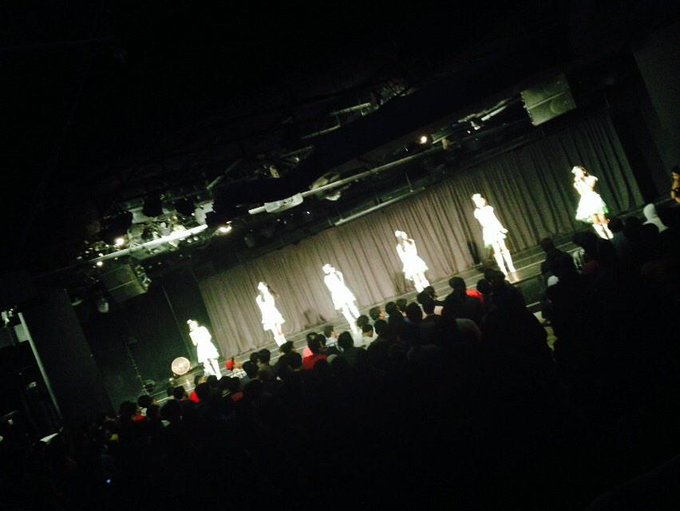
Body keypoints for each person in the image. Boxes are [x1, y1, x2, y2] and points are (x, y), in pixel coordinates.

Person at [571, 165, 613, 239]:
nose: (578, 174)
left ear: (584, 171)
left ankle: (611, 235)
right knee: (595, 221)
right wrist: (578, 183)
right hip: (586, 201)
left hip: (594, 198)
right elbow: (581, 193)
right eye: (576, 173)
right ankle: (604, 238)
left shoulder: (591, 178)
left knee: (602, 219)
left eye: (579, 172)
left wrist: (582, 181)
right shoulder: (577, 183)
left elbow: (590, 188)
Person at [322, 263, 360, 334]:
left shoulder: (338, 273)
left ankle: (360, 320)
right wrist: (332, 275)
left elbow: (342, 283)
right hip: (337, 293)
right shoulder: (326, 278)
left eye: (329, 267)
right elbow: (331, 288)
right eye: (326, 269)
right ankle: (353, 326)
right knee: (345, 310)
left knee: (352, 306)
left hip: (344, 291)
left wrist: (335, 274)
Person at [255, 281, 286, 346]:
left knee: (279, 331)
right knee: (275, 332)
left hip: (273, 313)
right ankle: (281, 345)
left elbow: (272, 304)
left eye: (263, 286)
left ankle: (285, 344)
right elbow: (262, 307)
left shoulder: (269, 295)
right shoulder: (259, 298)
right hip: (267, 315)